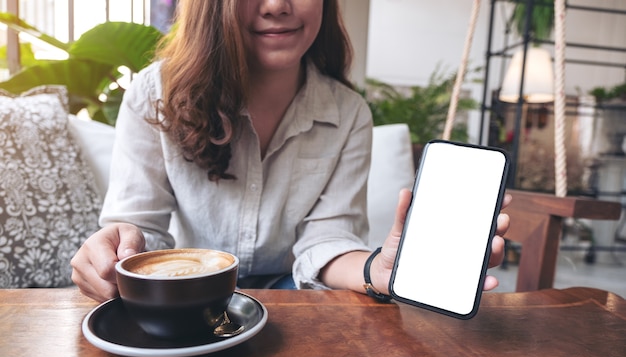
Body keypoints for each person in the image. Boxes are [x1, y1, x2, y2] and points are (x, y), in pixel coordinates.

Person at [71, 0, 510, 303]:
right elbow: (139, 227)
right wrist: (115, 251)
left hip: (295, 295)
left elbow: (328, 241)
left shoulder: (349, 113)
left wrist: (381, 271)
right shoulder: (154, 93)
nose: (277, 5)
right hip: (189, 293)